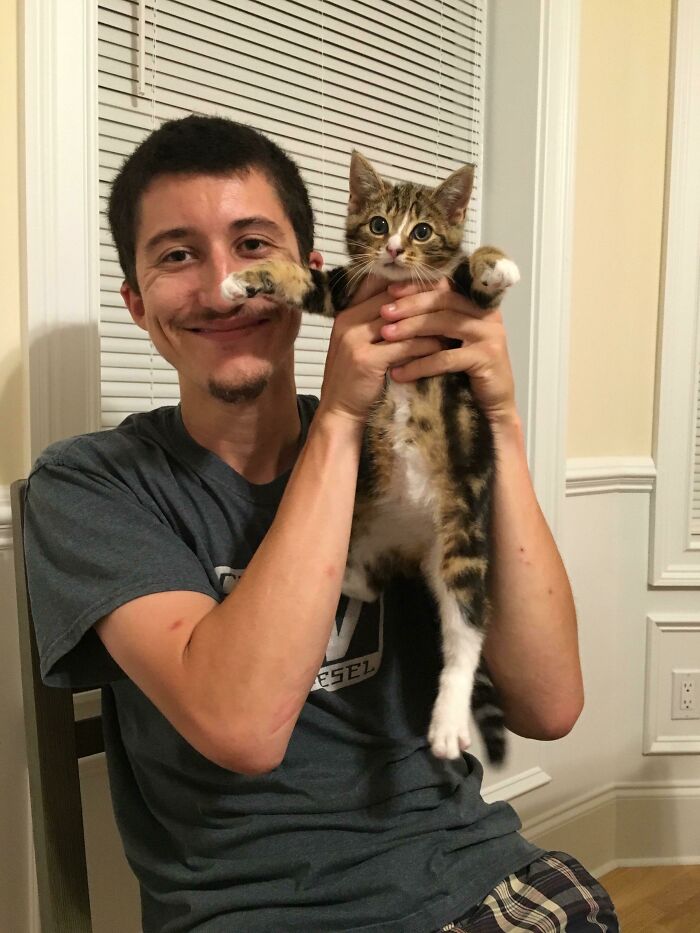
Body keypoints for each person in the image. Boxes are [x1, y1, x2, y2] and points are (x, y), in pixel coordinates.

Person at [23, 114, 618, 932]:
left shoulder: (401, 444)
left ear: (308, 273)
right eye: (176, 255)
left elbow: (550, 703)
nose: (221, 284)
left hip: (478, 874)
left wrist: (500, 423)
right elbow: (245, 728)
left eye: (252, 245)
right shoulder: (90, 484)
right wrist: (339, 417)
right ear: (137, 301)